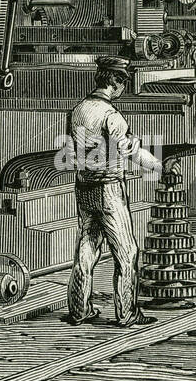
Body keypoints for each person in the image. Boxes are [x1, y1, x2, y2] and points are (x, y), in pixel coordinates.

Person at [63, 55, 163, 329]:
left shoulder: (78, 110)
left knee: (87, 248)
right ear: (117, 83)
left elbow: (71, 152)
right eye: (122, 83)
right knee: (127, 252)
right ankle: (127, 313)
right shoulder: (111, 116)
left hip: (83, 188)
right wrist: (157, 165)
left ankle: (79, 309)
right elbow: (128, 151)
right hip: (109, 190)